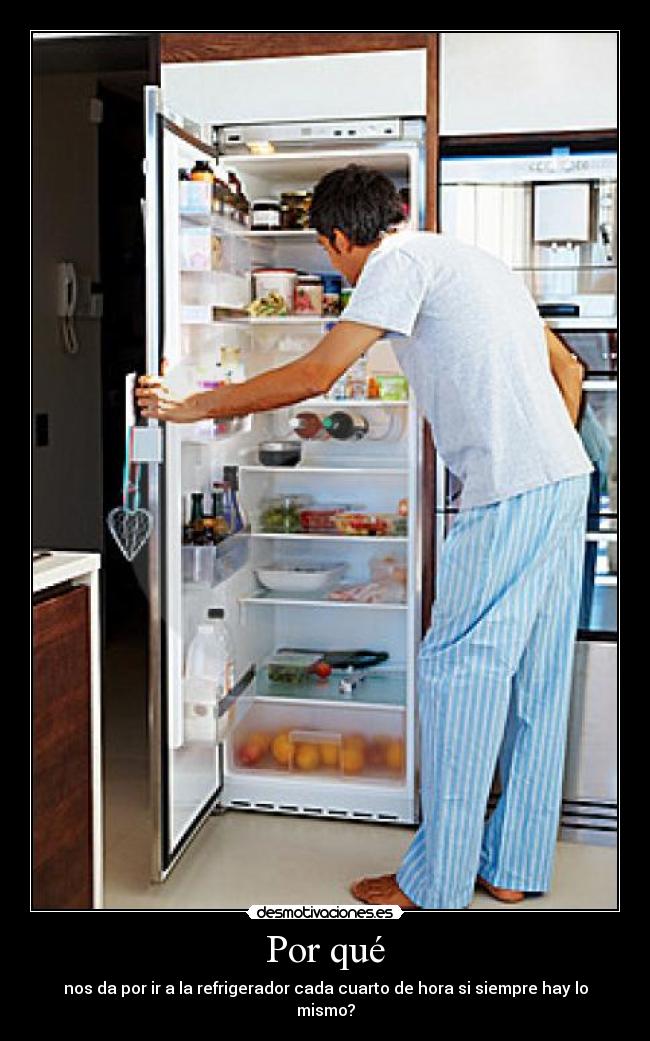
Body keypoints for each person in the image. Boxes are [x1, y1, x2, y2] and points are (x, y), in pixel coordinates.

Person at [137, 164, 593, 910]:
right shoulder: (473, 258)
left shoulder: (392, 264)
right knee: (536, 681)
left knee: (458, 676)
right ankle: (512, 866)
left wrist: (191, 408)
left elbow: (319, 373)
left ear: (338, 240)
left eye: (331, 254)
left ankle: (436, 882)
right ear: (399, 210)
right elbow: (567, 367)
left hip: (509, 490)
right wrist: (544, 457)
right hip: (563, 480)